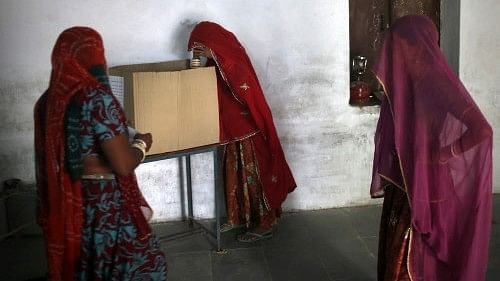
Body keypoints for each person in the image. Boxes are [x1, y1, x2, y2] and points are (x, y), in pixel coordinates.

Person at [34, 27, 167, 280]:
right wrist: (141, 144)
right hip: (106, 205)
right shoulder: (96, 97)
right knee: (143, 265)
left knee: (87, 266)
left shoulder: (47, 102)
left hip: (70, 204)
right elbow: (123, 165)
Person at [370, 15, 493, 281]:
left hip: (425, 186)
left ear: (420, 46)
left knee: (414, 260)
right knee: (394, 254)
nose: (397, 54)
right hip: (404, 185)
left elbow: (482, 131)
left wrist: (443, 154)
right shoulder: (403, 85)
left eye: (403, 45)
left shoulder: (436, 85)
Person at [188, 22, 297, 243]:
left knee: (254, 177)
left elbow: (242, 85)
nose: (198, 51)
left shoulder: (233, 60)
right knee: (233, 175)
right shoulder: (215, 63)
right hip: (230, 131)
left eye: (201, 46)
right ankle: (238, 216)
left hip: (248, 131)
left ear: (212, 43)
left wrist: (214, 56)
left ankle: (264, 223)